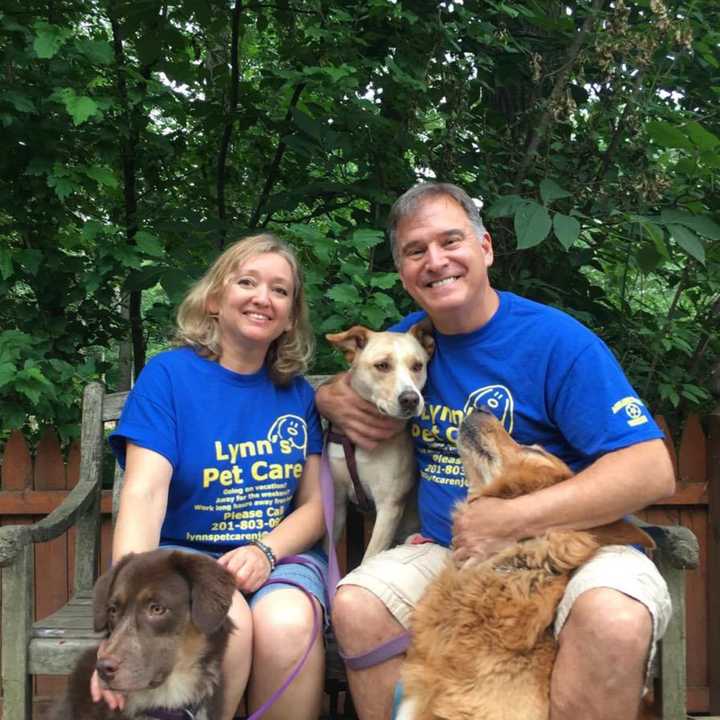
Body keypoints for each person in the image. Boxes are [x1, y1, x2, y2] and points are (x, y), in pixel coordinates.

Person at [316, 182, 675, 720]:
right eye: (416, 251)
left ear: (485, 248)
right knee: (359, 603)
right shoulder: (408, 347)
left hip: (574, 546)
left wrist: (509, 520)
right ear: (403, 270)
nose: (435, 261)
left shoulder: (557, 343)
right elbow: (353, 376)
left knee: (614, 617)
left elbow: (651, 470)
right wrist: (329, 398)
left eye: (450, 241)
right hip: (447, 549)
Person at [93, 234, 327, 720]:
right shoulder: (169, 377)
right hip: (187, 560)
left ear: (289, 314)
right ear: (216, 299)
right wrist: (130, 612)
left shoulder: (296, 394)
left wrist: (266, 552)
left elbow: (317, 504)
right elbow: (143, 492)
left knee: (288, 622)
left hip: (275, 554)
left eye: (280, 291)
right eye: (248, 282)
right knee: (223, 619)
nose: (264, 297)